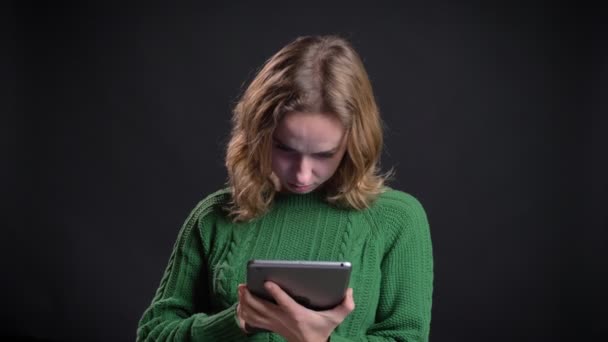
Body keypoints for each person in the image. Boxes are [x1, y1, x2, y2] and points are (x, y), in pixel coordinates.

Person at [136, 35, 433, 341]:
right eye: (285, 148)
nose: (303, 174)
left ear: (354, 142)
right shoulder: (214, 217)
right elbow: (151, 335)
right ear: (258, 133)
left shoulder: (397, 219)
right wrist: (238, 319)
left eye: (324, 154)